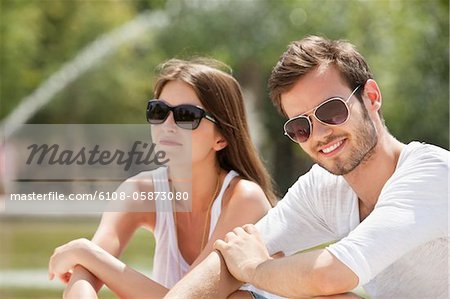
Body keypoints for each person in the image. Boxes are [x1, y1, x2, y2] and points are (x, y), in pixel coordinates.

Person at [165, 36, 449, 298]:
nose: (320, 134)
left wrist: (254, 268)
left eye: (331, 110)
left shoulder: (431, 175)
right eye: (301, 126)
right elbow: (230, 257)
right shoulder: (324, 187)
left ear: (371, 97)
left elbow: (329, 275)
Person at [48, 58, 280, 298]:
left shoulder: (244, 199)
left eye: (187, 115)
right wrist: (88, 262)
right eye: (159, 111)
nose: (167, 125)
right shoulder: (139, 191)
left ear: (221, 138)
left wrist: (87, 252)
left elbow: (193, 295)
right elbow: (83, 277)